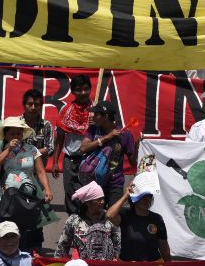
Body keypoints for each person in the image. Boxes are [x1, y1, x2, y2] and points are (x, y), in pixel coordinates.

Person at [0, 116, 53, 252]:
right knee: (4, 233)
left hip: (27, 199)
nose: (15, 136)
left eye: (18, 133)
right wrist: (8, 150)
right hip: (5, 199)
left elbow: (40, 171)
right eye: (12, 133)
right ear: (5, 135)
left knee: (25, 234)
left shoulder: (32, 149)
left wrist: (47, 189)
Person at [80, 102, 136, 206]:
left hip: (114, 184)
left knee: (112, 217)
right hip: (93, 182)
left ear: (105, 116)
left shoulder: (125, 135)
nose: (92, 117)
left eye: (96, 114)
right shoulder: (93, 129)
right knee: (94, 216)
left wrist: (136, 147)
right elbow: (83, 148)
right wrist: (106, 138)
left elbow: (133, 162)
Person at [52, 75, 93, 215]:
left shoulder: (96, 111)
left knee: (89, 194)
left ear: (91, 89)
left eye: (86, 89)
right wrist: (56, 162)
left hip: (90, 159)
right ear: (72, 92)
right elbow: (59, 139)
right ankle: (72, 223)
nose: (83, 93)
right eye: (78, 90)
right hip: (70, 160)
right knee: (71, 194)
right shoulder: (66, 111)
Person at [54, 181, 121, 260]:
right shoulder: (73, 220)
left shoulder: (110, 219)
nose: (102, 202)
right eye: (98, 200)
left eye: (103, 198)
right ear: (88, 203)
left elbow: (118, 245)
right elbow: (62, 247)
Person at [107, 182, 171, 262]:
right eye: (143, 196)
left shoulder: (157, 218)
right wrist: (126, 195)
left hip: (151, 264)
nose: (147, 200)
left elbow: (164, 247)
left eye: (149, 196)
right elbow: (109, 215)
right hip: (128, 264)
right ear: (135, 198)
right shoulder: (125, 215)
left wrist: (169, 263)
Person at [20, 89, 55, 160]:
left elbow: (50, 149)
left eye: (36, 104)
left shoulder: (46, 125)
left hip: (37, 168)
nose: (33, 107)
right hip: (15, 168)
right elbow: (6, 146)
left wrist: (29, 153)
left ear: (41, 106)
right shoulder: (15, 123)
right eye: (30, 104)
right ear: (24, 105)